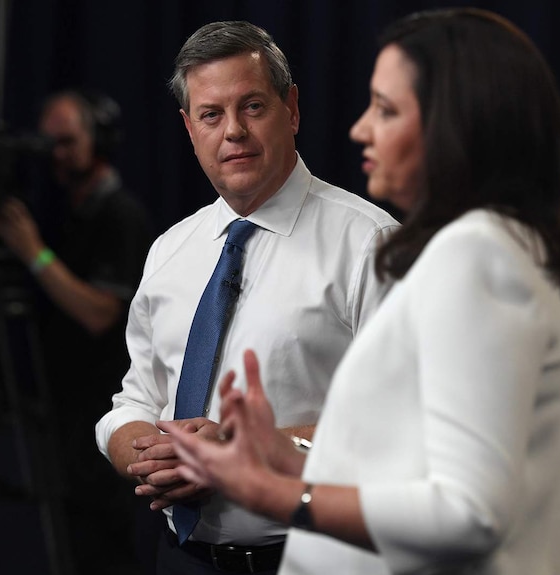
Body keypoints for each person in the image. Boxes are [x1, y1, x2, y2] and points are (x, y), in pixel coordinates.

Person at [162, 8, 560, 575]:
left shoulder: (478, 257)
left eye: (386, 109)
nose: (360, 128)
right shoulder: (487, 247)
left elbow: (467, 514)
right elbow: (413, 465)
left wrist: (267, 492)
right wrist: (285, 457)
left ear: (457, 124)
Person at [95, 20, 399, 575]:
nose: (232, 131)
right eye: (212, 114)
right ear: (190, 128)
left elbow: (404, 424)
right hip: (181, 559)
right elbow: (135, 401)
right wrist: (148, 453)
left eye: (252, 106)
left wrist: (243, 448)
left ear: (292, 109)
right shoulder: (170, 251)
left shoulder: (370, 245)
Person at [0, 89, 155, 575]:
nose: (57, 155)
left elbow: (99, 312)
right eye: (49, 145)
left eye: (67, 141)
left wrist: (34, 254)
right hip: (60, 412)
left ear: (99, 139)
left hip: (102, 413)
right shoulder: (64, 213)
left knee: (103, 546)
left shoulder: (120, 216)